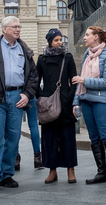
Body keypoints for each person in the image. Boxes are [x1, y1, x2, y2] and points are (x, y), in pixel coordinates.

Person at [0, 16, 38, 192]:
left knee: (13, 137)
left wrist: (27, 94)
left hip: (17, 98)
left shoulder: (24, 49)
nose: (18, 29)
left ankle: (7, 174)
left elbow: (33, 76)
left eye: (19, 26)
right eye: (14, 27)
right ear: (4, 29)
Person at [73, 26, 106, 187]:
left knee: (105, 135)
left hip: (101, 100)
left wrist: (84, 81)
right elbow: (80, 81)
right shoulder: (88, 54)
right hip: (86, 99)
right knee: (93, 137)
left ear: (96, 37)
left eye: (87, 35)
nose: (85, 38)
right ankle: (102, 172)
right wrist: (76, 102)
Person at [36, 28, 78, 184]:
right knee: (49, 138)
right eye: (56, 40)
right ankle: (52, 170)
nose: (60, 42)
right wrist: (40, 95)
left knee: (67, 137)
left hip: (65, 103)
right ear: (50, 42)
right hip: (48, 104)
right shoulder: (42, 59)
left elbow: (74, 78)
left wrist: (69, 96)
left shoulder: (67, 57)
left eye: (61, 40)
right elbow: (35, 79)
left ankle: (70, 169)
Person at [23, 95, 42, 169]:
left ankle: (15, 158)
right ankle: (37, 157)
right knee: (34, 125)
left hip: (18, 95)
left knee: (16, 127)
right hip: (31, 95)